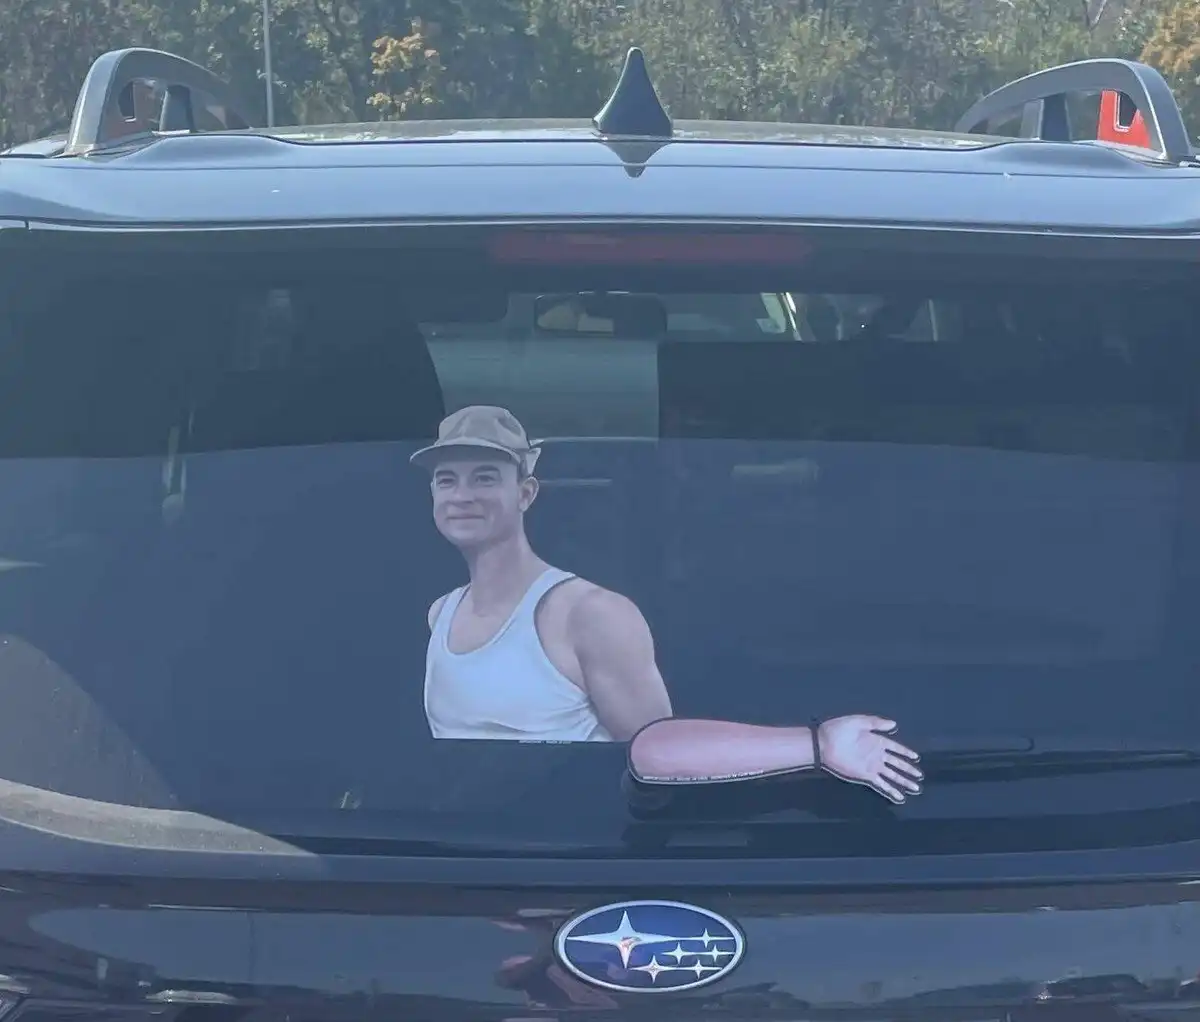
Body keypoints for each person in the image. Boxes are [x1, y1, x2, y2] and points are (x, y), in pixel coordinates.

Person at [412, 405, 674, 742]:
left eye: (485, 478)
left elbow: (658, 757)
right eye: (447, 480)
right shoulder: (441, 615)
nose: (462, 496)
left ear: (525, 493)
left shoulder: (591, 614)